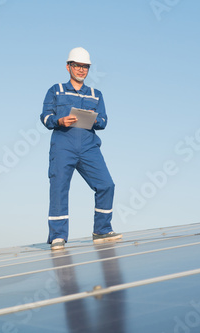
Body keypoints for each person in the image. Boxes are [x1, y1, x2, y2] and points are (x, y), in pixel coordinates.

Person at [40, 47, 122, 250]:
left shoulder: (96, 94)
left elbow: (103, 121)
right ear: (68, 67)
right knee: (59, 187)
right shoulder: (56, 90)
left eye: (85, 66)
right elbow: (45, 116)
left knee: (106, 185)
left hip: (89, 148)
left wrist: (91, 119)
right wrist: (59, 120)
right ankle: (58, 236)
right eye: (77, 65)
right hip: (62, 146)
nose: (81, 70)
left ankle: (102, 231)